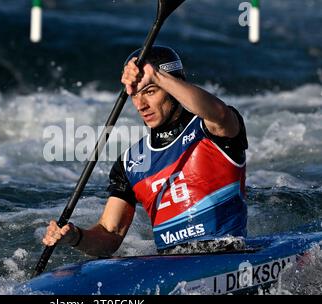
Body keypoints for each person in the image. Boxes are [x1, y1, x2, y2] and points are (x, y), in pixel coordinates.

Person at [42, 46, 248, 256]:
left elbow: (220, 114)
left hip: (225, 253)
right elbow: (109, 234)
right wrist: (75, 236)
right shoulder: (131, 162)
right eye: (135, 95)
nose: (141, 105)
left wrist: (156, 75)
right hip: (169, 266)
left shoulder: (211, 129)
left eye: (150, 91)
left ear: (174, 86)